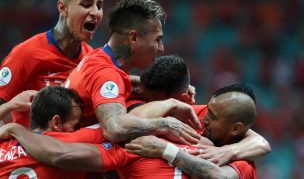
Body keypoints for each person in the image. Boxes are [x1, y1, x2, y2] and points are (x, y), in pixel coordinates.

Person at [0, 84, 261, 179]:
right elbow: (121, 127)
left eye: (211, 117)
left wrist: (10, 122)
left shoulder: (239, 158)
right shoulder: (132, 145)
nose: (203, 119)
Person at [64, 0, 202, 144]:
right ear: (133, 38)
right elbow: (115, 129)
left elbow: (119, 83)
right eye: (157, 40)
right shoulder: (106, 74)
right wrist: (166, 124)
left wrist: (173, 85)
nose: (161, 48)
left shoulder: (98, 57)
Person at [128, 55, 271, 165]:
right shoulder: (131, 103)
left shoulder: (199, 114)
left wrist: (227, 151)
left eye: (155, 101)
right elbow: (127, 122)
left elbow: (262, 144)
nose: (205, 119)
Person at [0, 0, 103, 127]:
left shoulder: (91, 59)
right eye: (87, 5)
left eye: (99, 6)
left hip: (73, 147)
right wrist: (11, 106)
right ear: (63, 8)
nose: (95, 12)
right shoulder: (26, 53)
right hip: (31, 147)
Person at [125, 84, 259, 178]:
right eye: (208, 110)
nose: (204, 119)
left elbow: (220, 177)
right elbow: (129, 121)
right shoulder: (197, 121)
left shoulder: (243, 163)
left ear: (235, 129)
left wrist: (165, 150)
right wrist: (172, 105)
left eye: (212, 116)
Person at [0, 86, 104, 178]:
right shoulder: (71, 143)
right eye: (75, 125)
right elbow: (115, 129)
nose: (77, 129)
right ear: (56, 123)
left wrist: (11, 105)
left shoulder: (4, 144)